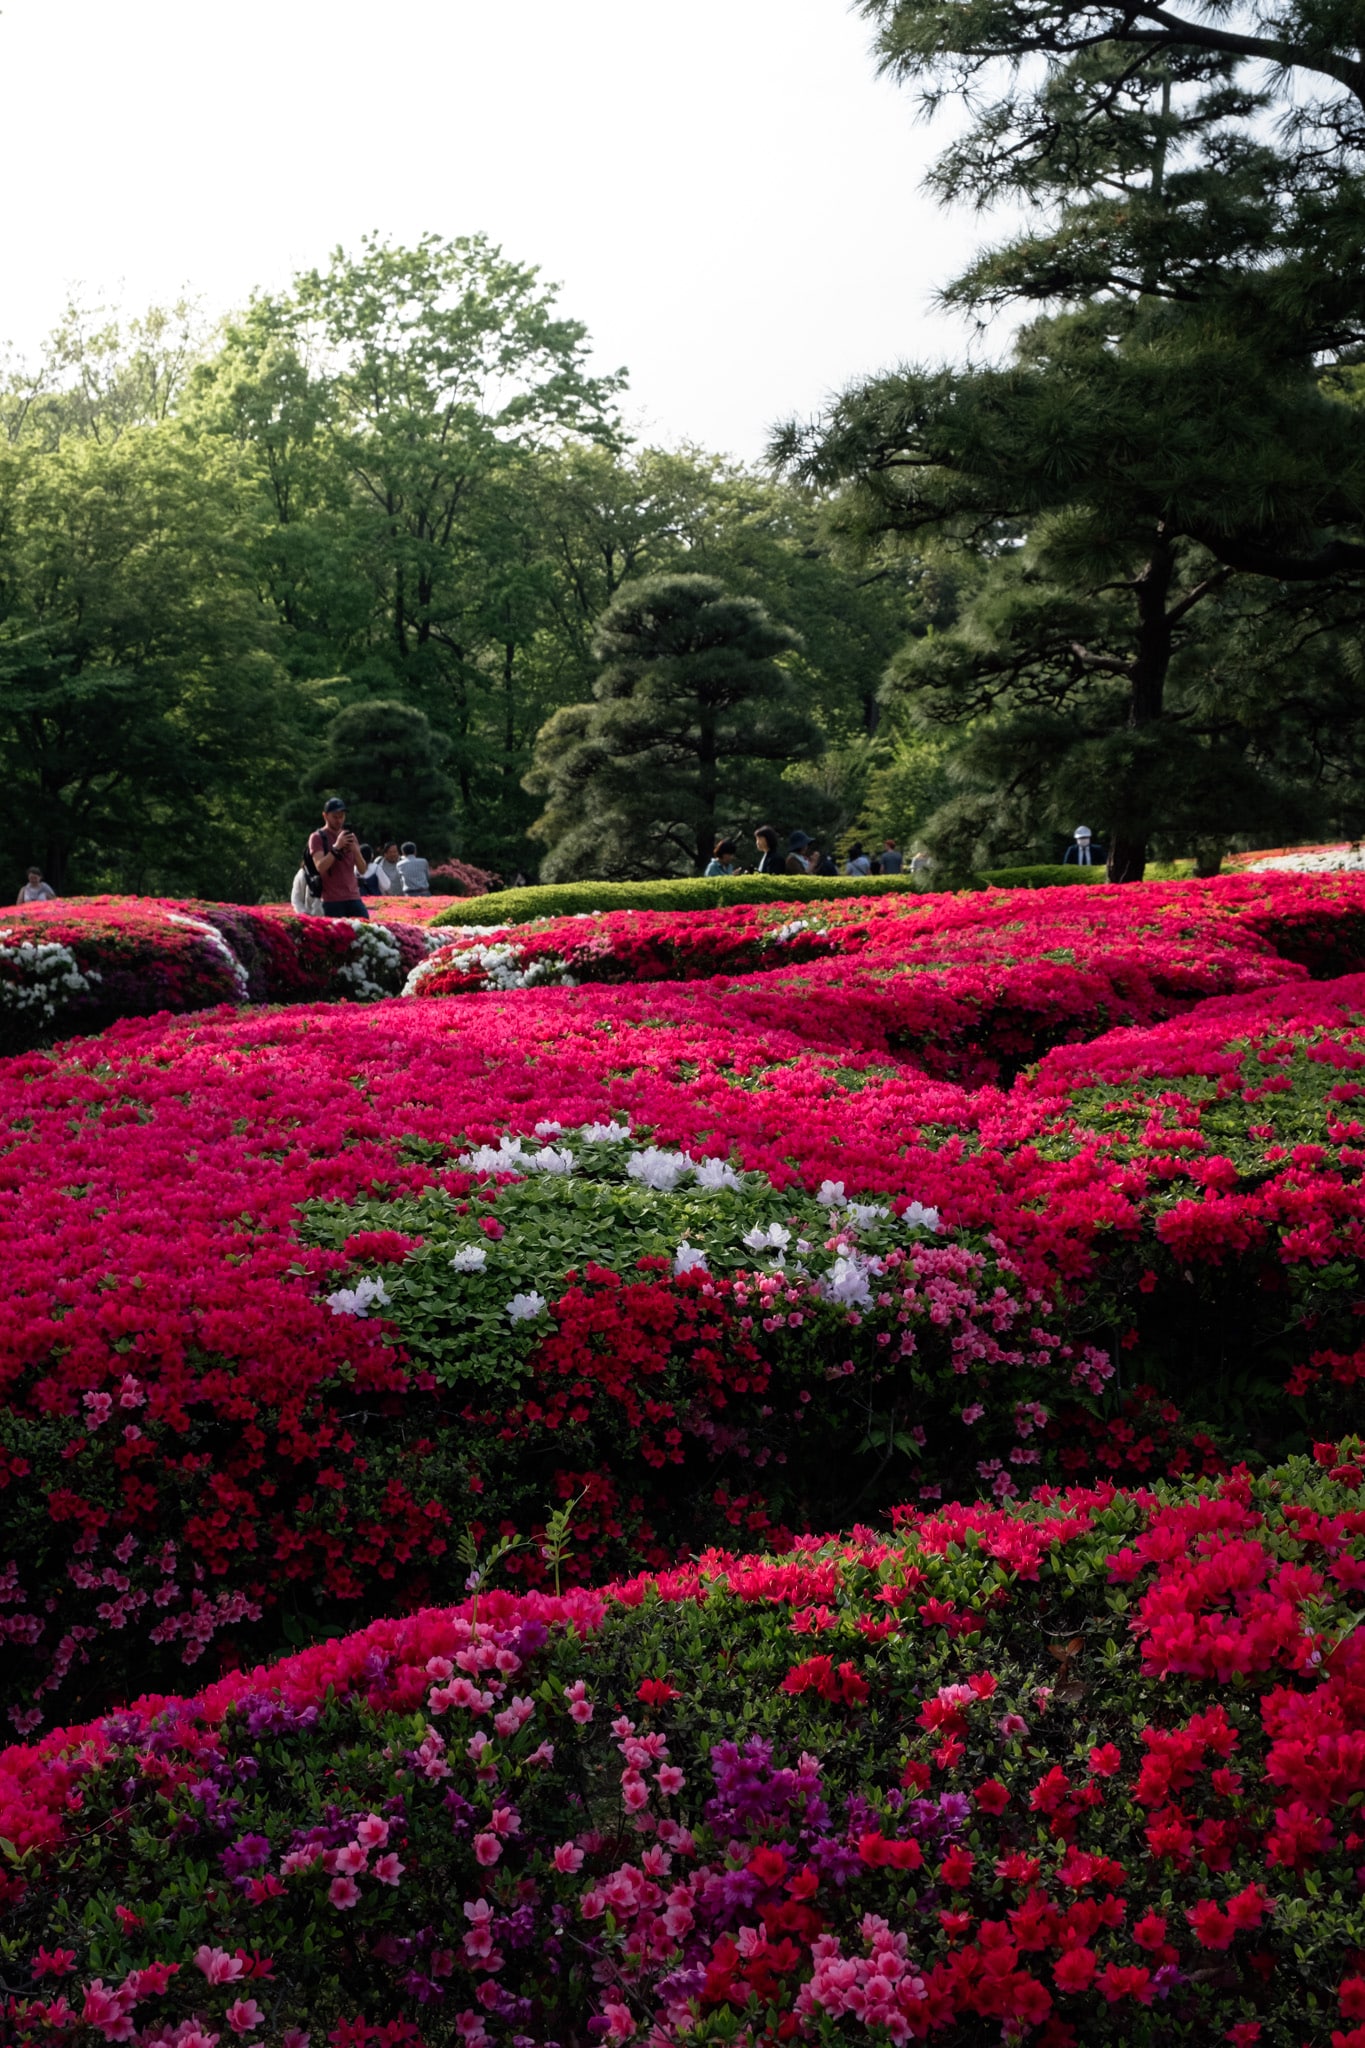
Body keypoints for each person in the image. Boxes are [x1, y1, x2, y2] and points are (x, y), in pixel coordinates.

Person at [307, 798, 369, 918]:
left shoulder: (350, 836)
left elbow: (362, 870)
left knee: (366, 931)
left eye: (342, 816)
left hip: (354, 897)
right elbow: (320, 867)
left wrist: (356, 851)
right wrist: (337, 847)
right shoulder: (317, 837)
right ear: (325, 816)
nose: (339, 820)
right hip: (332, 900)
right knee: (337, 936)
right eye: (335, 817)